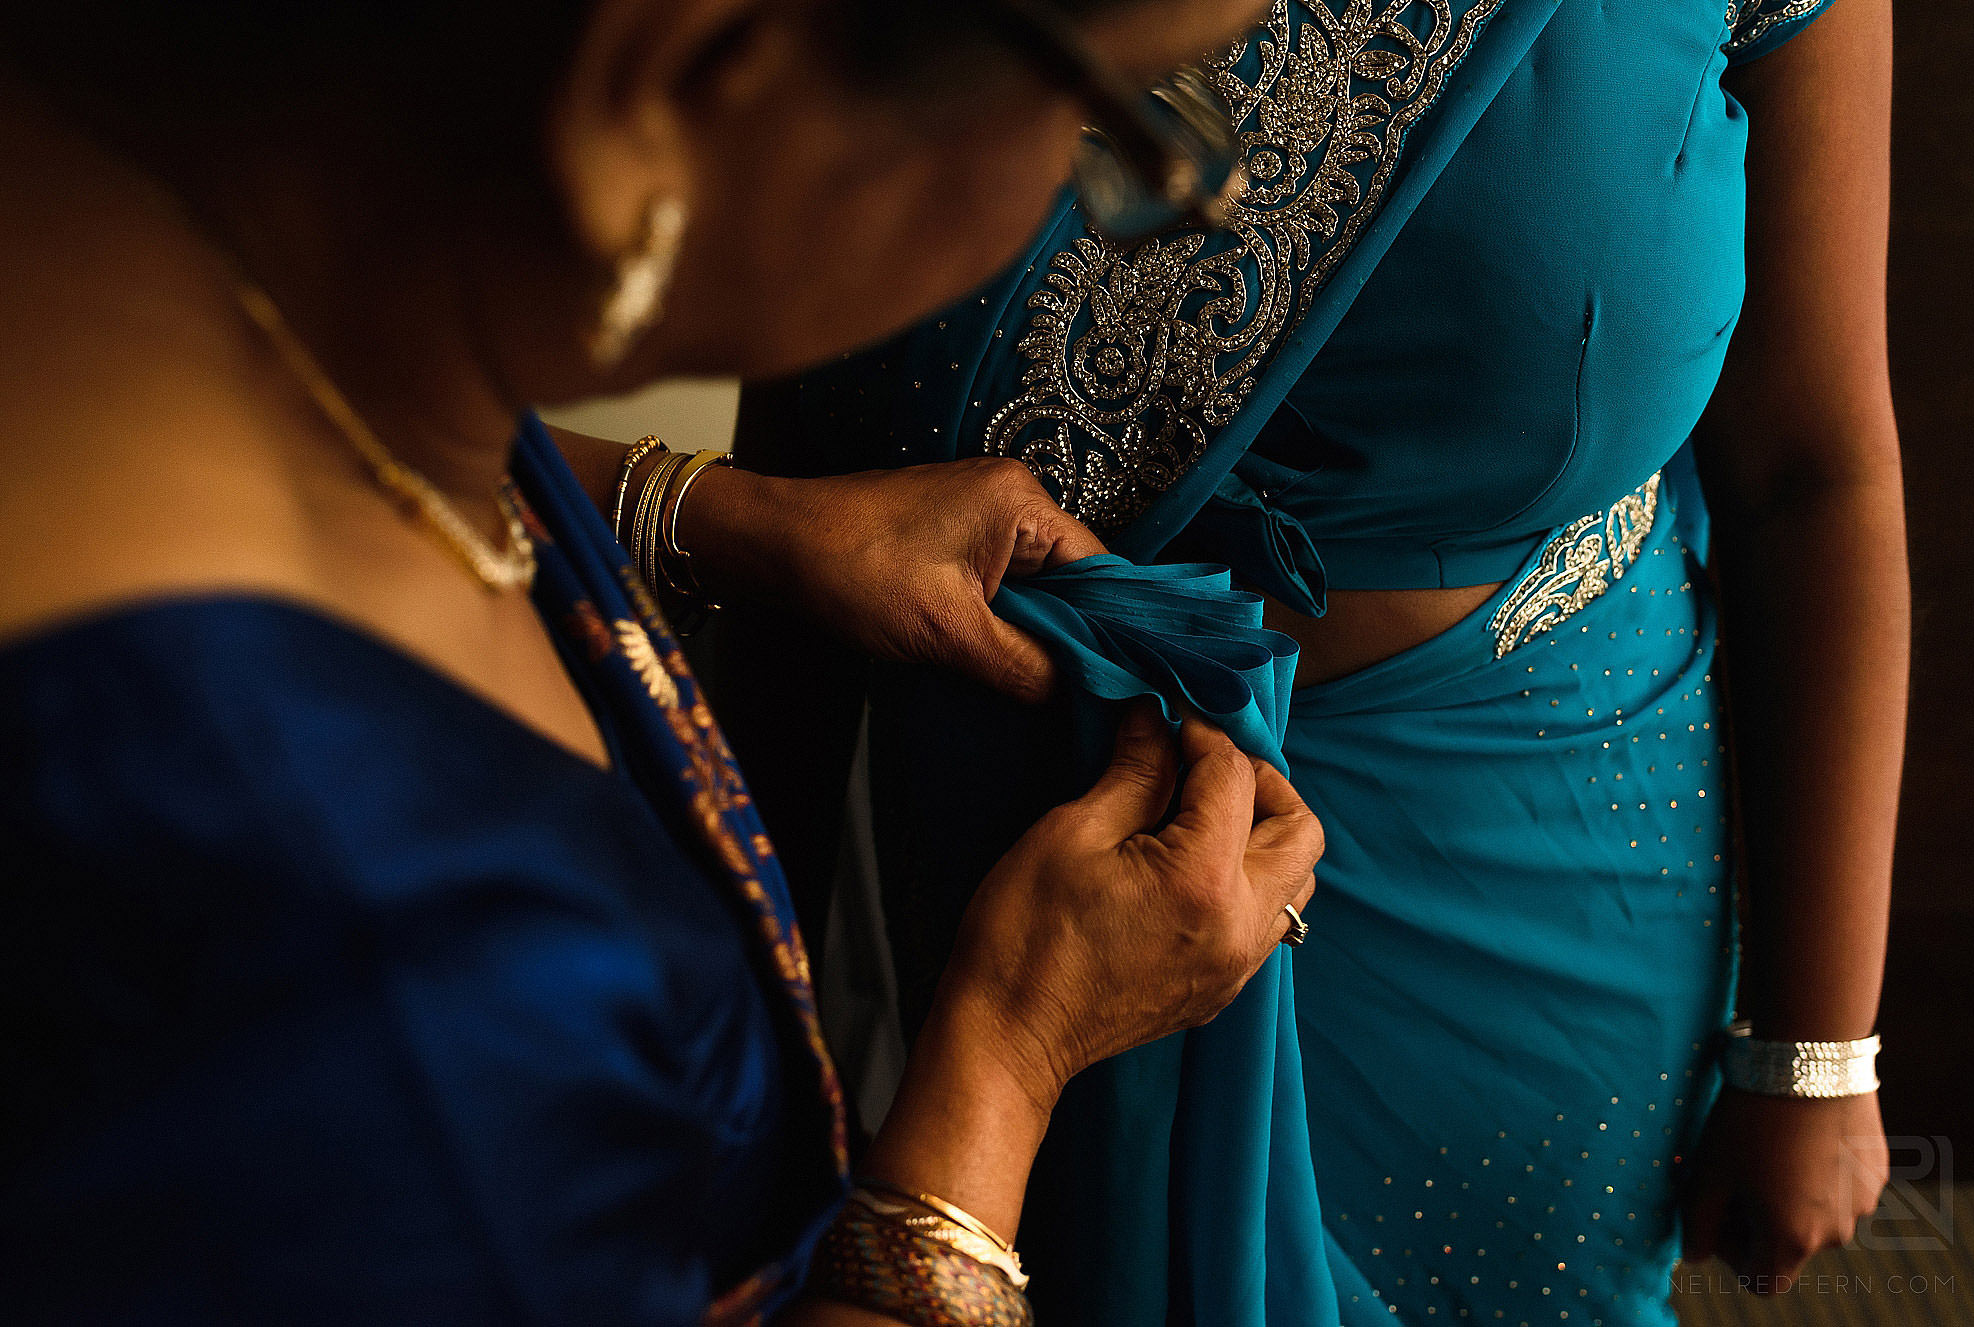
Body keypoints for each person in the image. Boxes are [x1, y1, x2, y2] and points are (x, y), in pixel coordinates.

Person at [0, 1, 1325, 1323]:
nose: (1087, 178)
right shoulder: (363, 985)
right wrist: (1011, 1055)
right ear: (676, 75)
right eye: (1112, 116)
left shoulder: (146, 199)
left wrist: (717, 518)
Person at [723, 0, 1909, 1320]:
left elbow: (1814, 472)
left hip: (1535, 846)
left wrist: (1817, 1049)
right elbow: (812, 414)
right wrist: (744, 942)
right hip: (1028, 836)